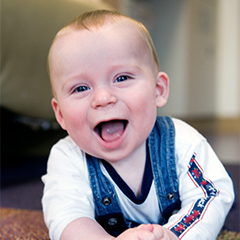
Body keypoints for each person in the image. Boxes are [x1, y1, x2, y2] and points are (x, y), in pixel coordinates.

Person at [42, 10, 234, 240]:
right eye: (81, 88)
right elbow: (66, 218)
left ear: (158, 90)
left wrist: (175, 235)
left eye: (122, 78)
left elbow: (211, 195)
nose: (103, 98)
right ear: (60, 114)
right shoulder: (68, 158)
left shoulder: (181, 142)